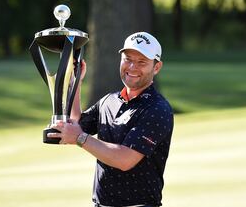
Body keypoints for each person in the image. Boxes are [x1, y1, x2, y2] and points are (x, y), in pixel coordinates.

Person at [48, 32, 174, 207]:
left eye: (141, 62)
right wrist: (75, 83)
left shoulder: (157, 109)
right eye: (128, 59)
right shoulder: (109, 100)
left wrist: (80, 138)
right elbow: (76, 124)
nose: (132, 66)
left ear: (157, 67)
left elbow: (125, 159)